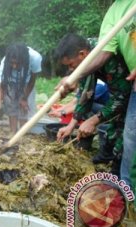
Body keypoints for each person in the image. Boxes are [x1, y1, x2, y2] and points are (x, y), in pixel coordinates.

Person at [58, 0, 136, 186]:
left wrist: (93, 120)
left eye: (71, 65)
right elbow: (86, 93)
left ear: (83, 54)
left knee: (124, 142)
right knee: (115, 137)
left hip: (127, 93)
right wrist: (73, 124)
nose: (71, 70)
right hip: (124, 94)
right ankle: (110, 163)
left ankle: (120, 184)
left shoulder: (108, 60)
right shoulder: (89, 56)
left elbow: (121, 97)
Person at [0, 43, 42, 133]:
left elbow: (32, 80)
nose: (14, 66)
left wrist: (24, 98)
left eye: (17, 63)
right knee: (11, 107)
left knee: (23, 108)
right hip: (11, 82)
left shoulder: (35, 58)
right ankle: (13, 133)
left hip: (26, 83)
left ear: (24, 60)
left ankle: (22, 135)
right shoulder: (4, 62)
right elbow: (1, 85)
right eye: (12, 63)